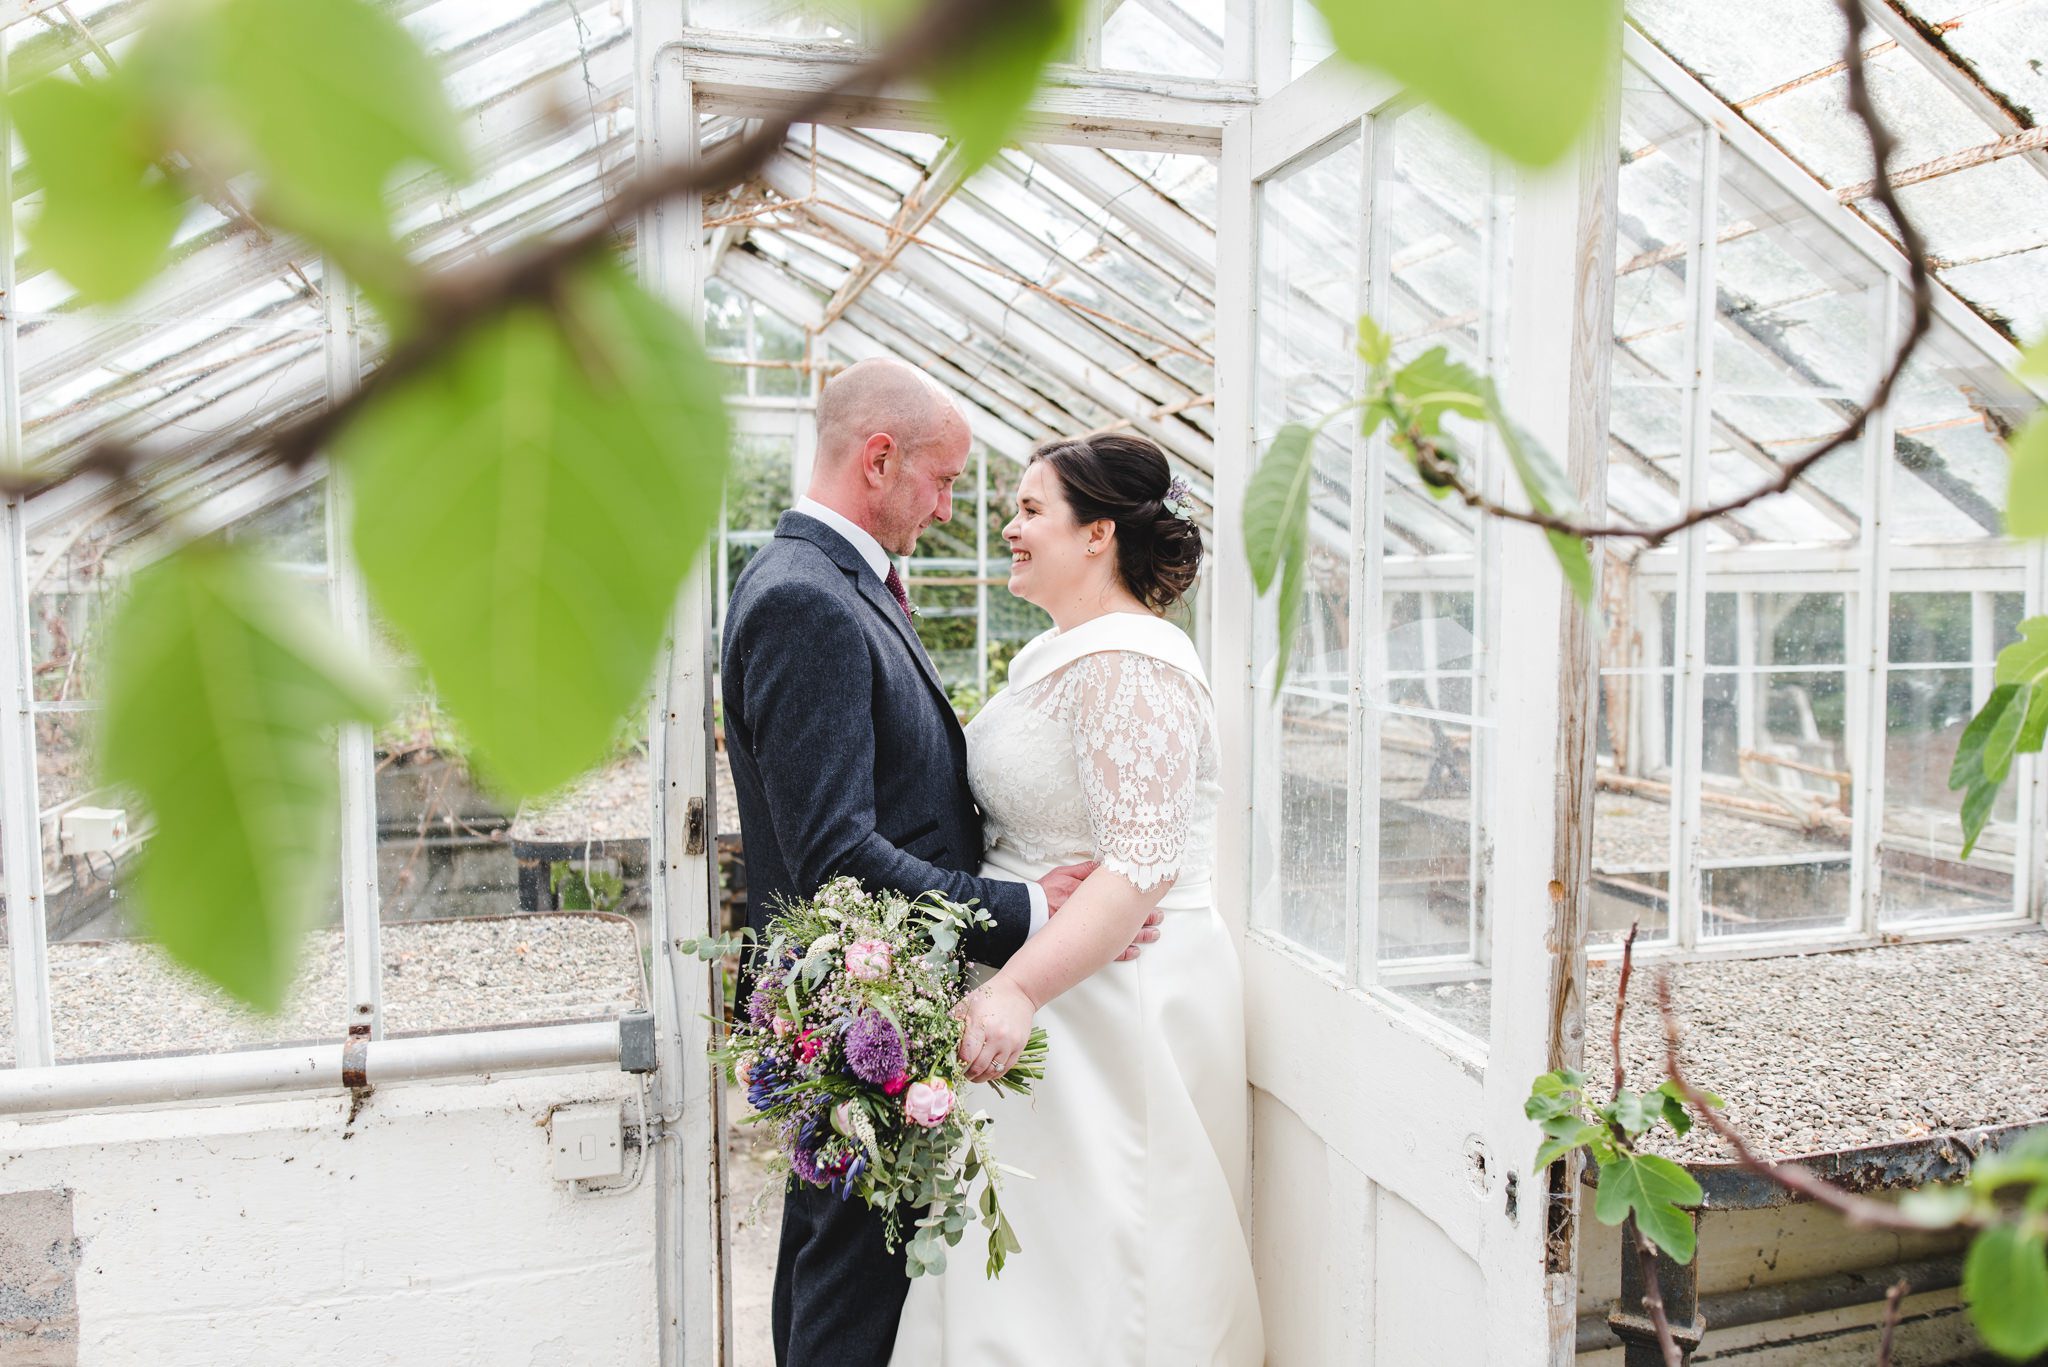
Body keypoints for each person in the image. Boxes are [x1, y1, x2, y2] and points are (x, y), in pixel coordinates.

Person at [719, 357, 1161, 1367]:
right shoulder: (809, 599)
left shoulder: (831, 581)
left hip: (875, 994)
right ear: (879, 460)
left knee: (834, 1262)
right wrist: (1027, 908)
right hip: (859, 1005)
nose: (954, 505)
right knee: (850, 1288)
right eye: (945, 478)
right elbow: (838, 852)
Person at [889, 432, 1264, 1365]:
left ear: (1097, 535)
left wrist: (1017, 988)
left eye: (1028, 509)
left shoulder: (1134, 662)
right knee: (1030, 1259)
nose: (1008, 527)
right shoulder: (1063, 654)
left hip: (1113, 997)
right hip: (1053, 988)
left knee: (1113, 1265)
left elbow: (1139, 868)